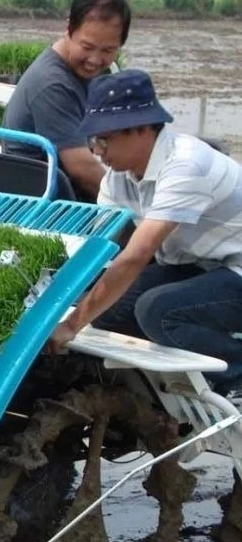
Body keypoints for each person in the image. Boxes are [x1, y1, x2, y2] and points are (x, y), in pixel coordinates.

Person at [47, 69, 242, 397]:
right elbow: (98, 244)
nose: (96, 151)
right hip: (205, 266)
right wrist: (52, 300)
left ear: (142, 128)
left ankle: (236, 372)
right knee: (111, 309)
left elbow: (136, 256)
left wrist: (70, 325)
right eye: (93, 140)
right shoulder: (119, 177)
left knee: (157, 311)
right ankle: (182, 371)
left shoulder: (186, 165)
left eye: (104, 139)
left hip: (235, 270)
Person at [2, 0, 132, 201]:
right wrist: (133, 202)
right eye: (87, 47)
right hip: (47, 202)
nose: (95, 60)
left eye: (108, 50)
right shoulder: (53, 84)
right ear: (69, 30)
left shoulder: (85, 73)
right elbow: (82, 169)